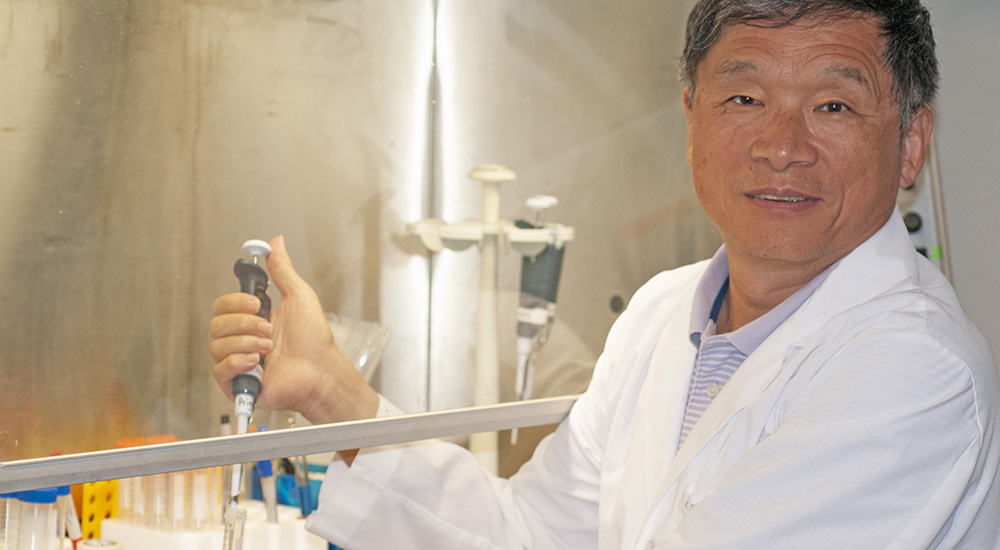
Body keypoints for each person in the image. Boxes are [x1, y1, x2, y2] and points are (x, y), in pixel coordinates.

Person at [209, 0, 1000, 547]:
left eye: (833, 105)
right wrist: (329, 390)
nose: (781, 146)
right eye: (747, 96)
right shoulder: (664, 314)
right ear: (692, 121)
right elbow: (525, 536)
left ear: (911, 143)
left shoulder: (913, 366)